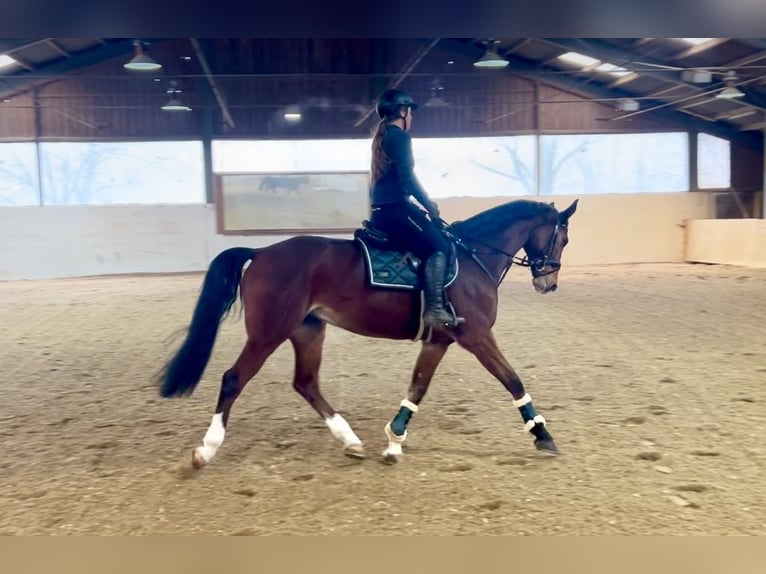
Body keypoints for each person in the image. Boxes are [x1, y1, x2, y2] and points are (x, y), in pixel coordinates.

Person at [368, 88, 464, 328]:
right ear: (403, 111)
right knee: (440, 245)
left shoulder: (383, 137)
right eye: (410, 113)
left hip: (384, 209)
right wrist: (429, 204)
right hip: (396, 210)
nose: (411, 118)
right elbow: (407, 179)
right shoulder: (399, 137)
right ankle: (434, 309)